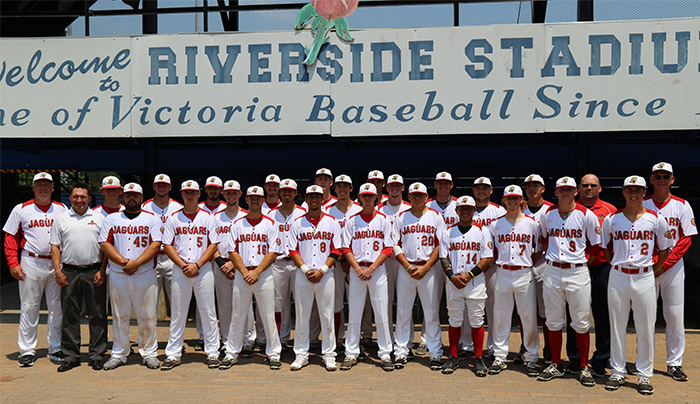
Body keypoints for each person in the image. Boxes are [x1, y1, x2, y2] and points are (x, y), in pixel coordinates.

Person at [602, 175, 671, 395]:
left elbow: (664, 249)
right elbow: (605, 248)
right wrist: (616, 262)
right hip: (619, 274)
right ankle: (618, 372)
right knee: (617, 325)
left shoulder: (656, 218)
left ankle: (644, 375)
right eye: (629, 190)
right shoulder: (612, 219)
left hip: (644, 276)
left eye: (638, 190)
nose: (634, 194)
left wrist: (654, 268)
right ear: (623, 192)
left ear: (644, 192)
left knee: (645, 327)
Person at [536, 177, 601, 387]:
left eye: (569, 189)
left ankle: (583, 366)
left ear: (576, 192)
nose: (565, 193)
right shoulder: (548, 214)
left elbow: (596, 246)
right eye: (562, 189)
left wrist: (581, 264)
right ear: (555, 192)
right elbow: (545, 239)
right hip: (553, 270)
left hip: (577, 271)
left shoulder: (586, 214)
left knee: (581, 322)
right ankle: (556, 363)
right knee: (553, 320)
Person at [3, 172, 68, 367]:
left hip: (56, 263)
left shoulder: (62, 209)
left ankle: (55, 347)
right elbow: (10, 238)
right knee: (29, 307)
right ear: (33, 188)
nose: (43, 187)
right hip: (31, 261)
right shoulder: (21, 209)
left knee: (56, 308)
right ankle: (27, 350)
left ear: (53, 188)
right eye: (39, 184)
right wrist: (13, 263)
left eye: (47, 184)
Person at [99, 183, 162, 370]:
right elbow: (104, 243)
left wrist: (136, 263)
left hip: (144, 273)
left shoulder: (152, 219)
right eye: (128, 195)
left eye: (135, 195)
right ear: (122, 197)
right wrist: (123, 262)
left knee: (148, 315)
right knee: (120, 315)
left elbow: (156, 244)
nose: (131, 198)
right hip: (119, 273)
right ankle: (119, 353)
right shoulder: (112, 218)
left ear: (142, 198)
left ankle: (149, 352)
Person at [220, 186, 283, 371]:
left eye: (258, 198)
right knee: (238, 315)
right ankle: (231, 353)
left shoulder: (271, 224)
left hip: (263, 275)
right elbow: (232, 251)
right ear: (246, 200)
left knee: (267, 315)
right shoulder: (237, 224)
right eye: (252, 198)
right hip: (242, 274)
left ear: (263, 200)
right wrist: (245, 272)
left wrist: (256, 272)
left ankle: (274, 353)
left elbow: (273, 252)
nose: (255, 201)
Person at [643, 162, 696, 382]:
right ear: (652, 180)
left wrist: (665, 264)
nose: (662, 180)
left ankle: (675, 363)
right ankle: (644, 361)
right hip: (646, 266)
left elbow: (686, 239)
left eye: (666, 176)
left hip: (672, 267)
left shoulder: (682, 205)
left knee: (674, 315)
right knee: (645, 316)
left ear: (672, 180)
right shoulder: (642, 204)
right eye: (658, 176)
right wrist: (653, 264)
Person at [160, 180, 220, 370]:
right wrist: (183, 265)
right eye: (187, 192)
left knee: (208, 312)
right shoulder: (173, 218)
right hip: (180, 269)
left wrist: (198, 264)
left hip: (203, 270)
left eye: (193, 192)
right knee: (178, 313)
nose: (190, 195)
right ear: (181, 194)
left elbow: (213, 244)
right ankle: (173, 353)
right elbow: (167, 245)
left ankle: (212, 352)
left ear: (199, 194)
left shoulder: (207, 217)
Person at [50, 182, 107, 372]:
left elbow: (106, 246)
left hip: (94, 270)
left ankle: (97, 355)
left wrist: (102, 270)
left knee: (97, 314)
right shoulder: (61, 219)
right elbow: (55, 245)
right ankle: (71, 356)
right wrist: (58, 271)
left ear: (89, 198)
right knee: (70, 314)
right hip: (70, 272)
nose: (79, 200)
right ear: (70, 198)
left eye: (83, 197)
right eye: (75, 196)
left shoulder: (99, 218)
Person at [565, 174, 616, 378]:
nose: (588, 188)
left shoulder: (610, 211)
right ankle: (576, 359)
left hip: (600, 267)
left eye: (592, 185)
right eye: (584, 185)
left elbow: (614, 241)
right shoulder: (569, 209)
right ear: (578, 189)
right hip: (576, 268)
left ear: (600, 188)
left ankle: (601, 359)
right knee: (574, 314)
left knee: (603, 313)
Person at [487, 185, 541, 377]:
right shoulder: (495, 224)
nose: (512, 201)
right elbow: (490, 251)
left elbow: (537, 250)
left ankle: (532, 357)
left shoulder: (532, 223)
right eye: (509, 198)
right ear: (503, 200)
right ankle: (500, 357)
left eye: (516, 198)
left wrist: (524, 264)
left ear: (521, 200)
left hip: (524, 272)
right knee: (501, 317)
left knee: (528, 317)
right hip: (502, 271)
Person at [341, 183, 395, 371]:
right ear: (360, 198)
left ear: (375, 198)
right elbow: (345, 248)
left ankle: (385, 353)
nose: (367, 199)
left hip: (377, 270)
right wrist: (357, 269)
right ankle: (351, 353)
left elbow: (388, 248)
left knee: (381, 313)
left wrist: (371, 268)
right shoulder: (351, 220)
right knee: (354, 314)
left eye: (370, 196)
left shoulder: (384, 219)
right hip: (357, 270)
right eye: (364, 196)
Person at [439, 195, 494, 376]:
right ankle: (453, 356)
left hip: (475, 282)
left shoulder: (483, 231)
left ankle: (478, 357)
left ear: (474, 211)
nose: (465, 211)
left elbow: (487, 258)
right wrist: (451, 276)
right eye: (461, 208)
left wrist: (469, 275)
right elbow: (444, 257)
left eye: (468, 208)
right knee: (454, 320)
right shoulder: (447, 232)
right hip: (453, 281)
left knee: (477, 320)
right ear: (456, 211)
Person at [288, 185, 341, 371]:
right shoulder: (297, 223)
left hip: (325, 275)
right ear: (306, 198)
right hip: (304, 274)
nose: (314, 200)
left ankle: (329, 355)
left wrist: (323, 269)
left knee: (327, 316)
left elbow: (336, 249)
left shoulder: (331, 221)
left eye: (317, 197)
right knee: (302, 316)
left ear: (322, 198)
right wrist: (304, 269)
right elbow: (292, 249)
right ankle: (301, 354)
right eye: (311, 197)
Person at [393, 182, 444, 371]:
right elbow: (394, 244)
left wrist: (427, 267)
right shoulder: (401, 217)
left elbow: (440, 244)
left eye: (420, 195)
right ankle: (401, 351)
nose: (417, 198)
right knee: (403, 313)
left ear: (426, 196)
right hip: (406, 269)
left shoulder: (435, 216)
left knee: (431, 313)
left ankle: (435, 353)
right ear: (410, 196)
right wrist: (407, 266)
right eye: (413, 195)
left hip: (428, 269)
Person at [211, 180, 256, 355]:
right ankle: (228, 340)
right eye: (228, 193)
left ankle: (247, 340)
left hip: (242, 265)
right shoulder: (215, 218)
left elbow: (251, 245)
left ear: (240, 195)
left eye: (234, 193)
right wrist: (222, 264)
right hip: (220, 265)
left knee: (245, 304)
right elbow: (212, 243)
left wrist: (233, 263)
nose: (231, 196)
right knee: (224, 305)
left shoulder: (246, 216)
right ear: (223, 194)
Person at [267, 179, 307, 349]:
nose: (287, 194)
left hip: (299, 264)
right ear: (280, 193)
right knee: (278, 304)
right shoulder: (270, 214)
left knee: (302, 304)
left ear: (296, 193)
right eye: (284, 191)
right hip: (278, 262)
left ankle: (302, 340)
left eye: (290, 191)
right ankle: (280, 340)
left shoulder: (303, 212)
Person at [325, 175, 362, 348]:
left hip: (356, 263)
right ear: (335, 189)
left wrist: (350, 259)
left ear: (351, 189)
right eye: (339, 186)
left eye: (345, 186)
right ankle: (338, 339)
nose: (342, 189)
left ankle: (357, 340)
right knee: (336, 301)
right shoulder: (327, 210)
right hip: (336, 262)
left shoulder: (359, 209)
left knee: (358, 303)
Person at [141, 174, 183, 326]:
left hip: (173, 258)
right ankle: (149, 343)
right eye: (159, 185)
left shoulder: (179, 207)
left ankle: (176, 343)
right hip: (151, 258)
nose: (162, 188)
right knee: (149, 302)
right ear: (153, 186)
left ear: (170, 187)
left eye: (165, 185)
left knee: (177, 302)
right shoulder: (144, 207)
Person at [472, 177, 506, 357]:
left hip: (491, 267)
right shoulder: (464, 208)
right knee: (467, 307)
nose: (481, 191)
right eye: (478, 188)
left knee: (493, 307)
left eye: (485, 188)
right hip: (469, 268)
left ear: (491, 190)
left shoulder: (499, 210)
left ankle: (493, 346)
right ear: (473, 190)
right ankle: (466, 345)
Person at [522, 174, 553, 365]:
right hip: (523, 265)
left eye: (536, 185)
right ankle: (526, 347)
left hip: (544, 263)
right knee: (525, 311)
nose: (531, 188)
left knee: (546, 311)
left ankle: (549, 348)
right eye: (528, 186)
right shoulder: (519, 207)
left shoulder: (551, 210)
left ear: (543, 188)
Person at [427, 171, 458, 356]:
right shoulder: (427, 204)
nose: (443, 186)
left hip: (455, 259)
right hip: (432, 259)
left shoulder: (459, 205)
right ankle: (426, 339)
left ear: (452, 185)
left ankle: (463, 342)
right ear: (435, 184)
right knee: (431, 301)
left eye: (447, 183)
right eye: (440, 183)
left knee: (457, 301)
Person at [377, 175, 412, 345]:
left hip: (405, 260)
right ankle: (388, 339)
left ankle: (408, 340)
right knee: (386, 301)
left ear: (403, 188)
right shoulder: (379, 208)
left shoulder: (410, 207)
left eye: (398, 185)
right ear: (387, 188)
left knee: (406, 302)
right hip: (385, 260)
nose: (395, 188)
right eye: (392, 186)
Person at [193, 175, 226, 350]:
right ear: (205, 190)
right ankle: (202, 335)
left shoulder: (226, 208)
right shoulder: (197, 208)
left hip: (221, 260)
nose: (213, 191)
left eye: (216, 188)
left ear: (221, 191)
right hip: (202, 259)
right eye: (210, 188)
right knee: (202, 300)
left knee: (223, 299)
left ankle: (225, 336)